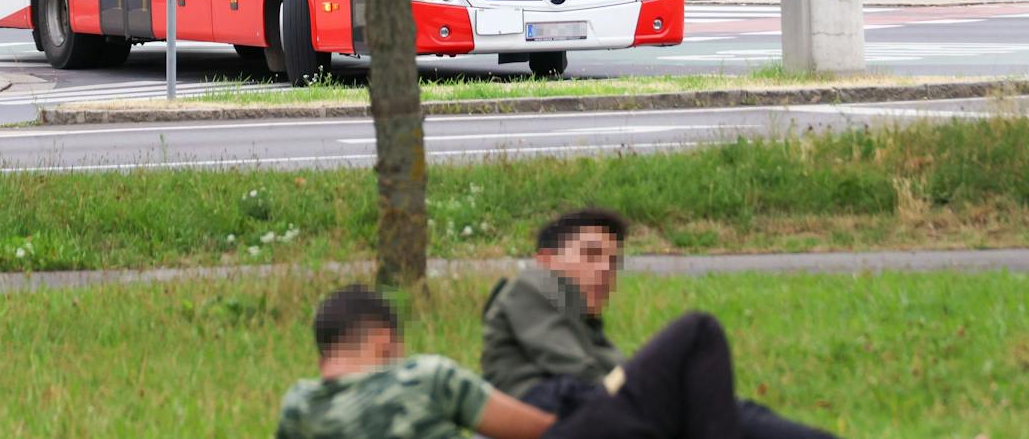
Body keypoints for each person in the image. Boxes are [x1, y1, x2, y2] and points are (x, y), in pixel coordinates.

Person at [482, 209, 839, 439]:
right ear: (545, 261)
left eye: (613, 261)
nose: (606, 270)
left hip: (594, 417)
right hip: (565, 421)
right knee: (697, 331)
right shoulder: (532, 283)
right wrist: (660, 397)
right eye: (591, 255)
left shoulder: (586, 327)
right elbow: (582, 376)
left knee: (740, 412)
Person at [281, 282, 757, 439]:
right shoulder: (423, 377)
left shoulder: (296, 409)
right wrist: (610, 402)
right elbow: (539, 429)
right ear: (385, 342)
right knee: (696, 332)